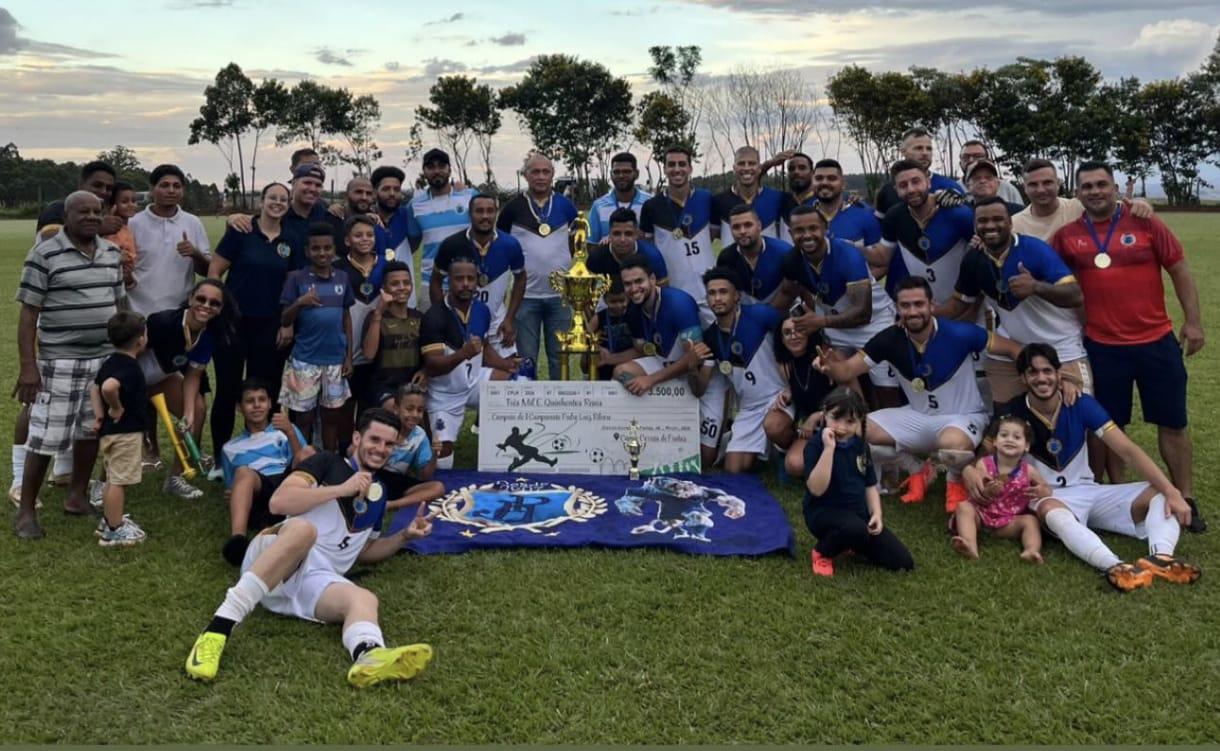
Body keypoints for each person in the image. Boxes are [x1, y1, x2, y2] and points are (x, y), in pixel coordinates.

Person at [184, 408, 441, 687]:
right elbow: (279, 502)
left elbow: (364, 552)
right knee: (305, 530)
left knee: (365, 599)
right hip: (275, 555)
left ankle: (369, 656)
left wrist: (404, 536)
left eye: (389, 444)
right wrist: (341, 489)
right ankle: (216, 630)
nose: (380, 449)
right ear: (357, 438)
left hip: (312, 579)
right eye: (374, 440)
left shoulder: (379, 492)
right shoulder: (327, 462)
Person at [964, 343, 1201, 592]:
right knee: (1053, 512)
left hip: (1089, 489)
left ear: (1058, 374)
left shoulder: (1081, 404)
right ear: (1023, 378)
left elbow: (1127, 450)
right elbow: (982, 455)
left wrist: (1173, 492)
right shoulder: (1012, 410)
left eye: (1047, 371)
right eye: (1033, 372)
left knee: (1162, 494)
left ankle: (1161, 558)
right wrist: (970, 469)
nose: (1041, 378)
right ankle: (1116, 567)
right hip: (1047, 496)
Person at [1051, 161, 1205, 532]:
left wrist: (1194, 322)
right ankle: (1119, 496)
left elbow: (1179, 269)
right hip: (1102, 347)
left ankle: (1184, 497)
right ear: (1078, 192)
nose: (1094, 191)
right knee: (1108, 427)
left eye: (1101, 184)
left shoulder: (1146, 222)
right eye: (1086, 186)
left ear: (1115, 187)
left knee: (1172, 423)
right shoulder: (1068, 235)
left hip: (1156, 342)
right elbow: (1046, 272)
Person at [818, 277, 1023, 511]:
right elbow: (847, 370)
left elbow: (1012, 348)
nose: (912, 311)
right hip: (917, 416)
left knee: (952, 445)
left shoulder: (959, 333)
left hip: (962, 416)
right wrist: (829, 366)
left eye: (919, 304)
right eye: (905, 306)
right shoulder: (888, 339)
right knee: (857, 429)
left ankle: (954, 483)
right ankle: (919, 469)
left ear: (931, 305)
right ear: (897, 308)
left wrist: (1028, 371)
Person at [13, 191, 126, 539]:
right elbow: (29, 314)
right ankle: (26, 511)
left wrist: (124, 350)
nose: (92, 217)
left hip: (103, 359)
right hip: (60, 361)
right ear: (66, 215)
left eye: (97, 211)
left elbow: (119, 304)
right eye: (83, 211)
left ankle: (77, 496)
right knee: (46, 436)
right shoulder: (45, 253)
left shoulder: (111, 253)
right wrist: (29, 366)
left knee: (90, 430)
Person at [938, 197, 1088, 406]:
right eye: (982, 221)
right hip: (1013, 346)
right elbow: (959, 304)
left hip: (1060, 346)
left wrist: (1035, 286)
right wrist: (925, 313)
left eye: (997, 219)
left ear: (1010, 223)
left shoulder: (1034, 250)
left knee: (1079, 416)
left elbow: (1074, 295)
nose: (990, 225)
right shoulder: (974, 259)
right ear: (974, 225)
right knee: (1006, 419)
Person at [208, 182, 301, 457]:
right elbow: (215, 268)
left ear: (288, 204)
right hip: (233, 324)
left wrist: (288, 322)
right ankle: (219, 457)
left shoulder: (291, 240)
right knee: (227, 390)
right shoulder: (242, 231)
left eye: (283, 199)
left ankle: (263, 452)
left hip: (270, 326)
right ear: (262, 201)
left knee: (265, 392)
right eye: (272, 197)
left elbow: (292, 283)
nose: (277, 203)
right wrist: (215, 304)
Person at [612, 255, 726, 467]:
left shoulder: (678, 303)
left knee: (705, 459)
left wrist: (651, 380)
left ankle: (726, 438)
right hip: (667, 365)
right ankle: (655, 427)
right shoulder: (634, 311)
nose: (634, 288)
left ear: (653, 279)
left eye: (639, 281)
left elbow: (694, 358)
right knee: (621, 372)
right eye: (628, 284)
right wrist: (610, 358)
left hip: (703, 375)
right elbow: (642, 350)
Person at [775, 206, 896, 404]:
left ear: (825, 227)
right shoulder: (792, 260)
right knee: (832, 376)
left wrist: (819, 321)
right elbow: (788, 293)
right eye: (799, 231)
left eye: (813, 228)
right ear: (790, 233)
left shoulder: (848, 255)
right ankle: (857, 425)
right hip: (834, 327)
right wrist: (765, 319)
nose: (806, 235)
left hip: (875, 323)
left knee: (886, 393)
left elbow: (863, 313)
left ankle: (887, 429)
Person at [420, 256, 519, 468]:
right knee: (443, 461)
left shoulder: (481, 310)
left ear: (477, 282)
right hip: (444, 394)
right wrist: (463, 353)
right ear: (448, 281)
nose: (465, 284)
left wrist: (504, 365)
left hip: (473, 382)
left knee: (516, 386)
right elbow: (433, 366)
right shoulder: (434, 316)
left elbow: (483, 347)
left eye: (470, 278)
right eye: (459, 279)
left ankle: (503, 454)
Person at [803, 387, 914, 577]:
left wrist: (877, 514)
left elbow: (870, 485)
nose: (841, 427)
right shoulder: (816, 446)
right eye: (835, 418)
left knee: (902, 562)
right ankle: (823, 551)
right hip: (823, 514)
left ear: (859, 422)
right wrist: (829, 450)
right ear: (824, 415)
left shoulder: (860, 446)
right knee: (855, 530)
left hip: (857, 516)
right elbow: (816, 489)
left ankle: (850, 542)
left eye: (850, 421)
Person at [689, 268, 787, 474]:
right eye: (712, 293)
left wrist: (792, 388)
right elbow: (699, 389)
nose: (717, 298)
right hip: (750, 408)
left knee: (776, 426)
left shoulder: (761, 316)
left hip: (780, 396)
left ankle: (786, 452)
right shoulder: (711, 337)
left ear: (736, 296)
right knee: (734, 470)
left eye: (723, 292)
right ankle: (759, 449)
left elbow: (794, 345)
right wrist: (691, 364)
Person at [498, 153, 577, 377]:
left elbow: (575, 245)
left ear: (553, 175)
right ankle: (530, 410)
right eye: (535, 172)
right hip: (525, 298)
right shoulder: (512, 209)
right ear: (525, 175)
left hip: (560, 297)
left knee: (559, 357)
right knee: (526, 358)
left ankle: (561, 407)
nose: (541, 177)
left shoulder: (566, 207)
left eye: (546, 172)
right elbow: (502, 249)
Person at [280, 224, 355, 451]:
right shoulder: (296, 279)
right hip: (305, 360)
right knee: (304, 418)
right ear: (307, 251)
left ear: (334, 250)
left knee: (332, 417)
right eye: (316, 249)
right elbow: (284, 319)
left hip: (335, 360)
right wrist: (300, 303)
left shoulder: (342, 278)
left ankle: (329, 459)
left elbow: (346, 318)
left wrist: (348, 357)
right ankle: (304, 460)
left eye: (327, 248)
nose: (322, 253)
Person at [220, 379, 310, 567]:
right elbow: (234, 487)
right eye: (250, 401)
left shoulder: (284, 431)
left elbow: (306, 463)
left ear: (270, 403)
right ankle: (238, 541)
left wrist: (291, 433)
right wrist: (233, 493)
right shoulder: (230, 448)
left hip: (289, 482)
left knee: (308, 452)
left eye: (262, 399)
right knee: (244, 472)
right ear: (239, 408)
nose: (257, 405)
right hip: (260, 490)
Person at [868, 159, 975, 306]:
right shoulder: (895, 216)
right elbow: (882, 257)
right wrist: (853, 248)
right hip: (924, 311)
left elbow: (984, 258)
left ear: (928, 182)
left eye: (916, 181)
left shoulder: (959, 214)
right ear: (896, 189)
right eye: (903, 185)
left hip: (966, 307)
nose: (911, 190)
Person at [433, 193, 526, 358]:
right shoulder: (451, 244)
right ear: (470, 214)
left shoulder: (510, 244)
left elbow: (521, 279)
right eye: (479, 211)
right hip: (461, 326)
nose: (485, 216)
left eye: (490, 211)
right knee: (463, 378)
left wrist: (510, 318)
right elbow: (436, 281)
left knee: (507, 375)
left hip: (497, 327)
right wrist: (443, 317)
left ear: (497, 213)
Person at [89, 311, 149, 547]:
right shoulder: (130, 367)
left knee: (112, 478)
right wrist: (116, 407)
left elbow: (94, 388)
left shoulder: (110, 361)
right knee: (118, 482)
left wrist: (99, 416)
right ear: (140, 340)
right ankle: (114, 530)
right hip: (125, 432)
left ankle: (108, 519)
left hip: (109, 432)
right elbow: (108, 387)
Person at [950, 415, 1045, 563]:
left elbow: (1046, 488)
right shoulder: (984, 463)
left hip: (1009, 521)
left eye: (1017, 437)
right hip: (981, 515)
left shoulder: (1029, 470)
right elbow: (980, 488)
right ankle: (969, 544)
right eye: (1004, 435)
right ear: (995, 441)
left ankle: (1031, 550)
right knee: (964, 507)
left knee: (1030, 521)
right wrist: (989, 490)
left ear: (1026, 445)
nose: (1009, 439)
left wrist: (1040, 491)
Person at [639, 145, 716, 325]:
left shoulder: (706, 198)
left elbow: (714, 233)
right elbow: (648, 249)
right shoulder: (652, 206)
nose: (677, 169)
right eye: (671, 165)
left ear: (690, 168)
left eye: (682, 164)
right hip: (673, 295)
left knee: (716, 348)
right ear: (665, 169)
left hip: (708, 294)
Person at [126, 164, 211, 315]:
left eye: (176, 186)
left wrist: (195, 253)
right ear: (152, 189)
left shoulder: (193, 222)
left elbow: (207, 271)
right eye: (164, 185)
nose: (171, 190)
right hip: (139, 312)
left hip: (180, 312)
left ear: (182, 191)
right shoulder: (133, 223)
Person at [764, 314, 836, 477]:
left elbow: (851, 398)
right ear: (781, 339)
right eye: (787, 333)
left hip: (837, 421)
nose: (793, 336)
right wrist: (788, 393)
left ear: (810, 332)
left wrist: (817, 416)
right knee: (794, 465)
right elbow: (795, 388)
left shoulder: (826, 356)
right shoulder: (786, 365)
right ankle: (792, 452)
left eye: (799, 330)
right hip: (811, 427)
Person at [1012, 159, 1154, 242]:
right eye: (1033, 184)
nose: (1041, 189)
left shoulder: (1078, 207)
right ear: (1024, 188)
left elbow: (1116, 207)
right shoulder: (1014, 225)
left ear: (1058, 183)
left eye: (1047, 182)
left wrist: (1141, 202)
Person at [409, 148, 477, 312]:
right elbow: (411, 243)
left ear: (449, 169)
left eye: (441, 166)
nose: (437, 171)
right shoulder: (415, 205)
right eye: (431, 167)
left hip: (466, 283)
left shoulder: (469, 196)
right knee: (433, 336)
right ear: (424, 172)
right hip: (431, 283)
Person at [335, 215, 386, 421]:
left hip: (378, 349)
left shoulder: (387, 265)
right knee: (346, 406)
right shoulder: (337, 269)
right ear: (347, 240)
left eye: (369, 235)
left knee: (371, 407)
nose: (365, 239)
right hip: (349, 351)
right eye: (358, 235)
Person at [363, 261, 425, 409]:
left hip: (411, 385)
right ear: (384, 289)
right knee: (395, 408)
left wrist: (425, 371)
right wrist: (378, 312)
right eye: (395, 284)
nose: (402, 288)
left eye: (406, 283)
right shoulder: (375, 317)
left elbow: (428, 354)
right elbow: (369, 354)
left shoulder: (419, 318)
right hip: (383, 386)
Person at [780, 159, 880, 250]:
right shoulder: (801, 216)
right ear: (813, 182)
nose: (824, 183)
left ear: (843, 184)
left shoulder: (866, 217)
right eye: (819, 178)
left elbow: (879, 264)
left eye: (831, 178)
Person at [872, 127, 963, 218]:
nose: (925, 153)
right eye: (918, 148)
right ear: (904, 152)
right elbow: (878, 227)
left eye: (929, 149)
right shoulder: (887, 191)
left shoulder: (950, 186)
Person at [713, 205, 793, 304]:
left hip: (786, 314)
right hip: (746, 316)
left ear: (759, 225)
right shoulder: (726, 258)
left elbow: (796, 290)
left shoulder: (784, 252)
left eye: (748, 225)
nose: (742, 231)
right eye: (736, 227)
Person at [711, 145, 785, 240]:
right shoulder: (718, 201)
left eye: (751, 163)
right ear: (734, 168)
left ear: (759, 168)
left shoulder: (777, 198)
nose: (746, 168)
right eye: (741, 164)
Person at [34, 160, 120, 239]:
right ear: (81, 184)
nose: (104, 192)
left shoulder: (105, 213)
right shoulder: (58, 209)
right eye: (97, 185)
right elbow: (47, 237)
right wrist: (97, 228)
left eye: (109, 188)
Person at [585, 208, 668, 289]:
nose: (622, 239)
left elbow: (663, 294)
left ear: (636, 234)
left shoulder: (652, 257)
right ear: (609, 234)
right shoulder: (596, 258)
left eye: (628, 234)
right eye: (617, 234)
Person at [588, 152, 652, 244]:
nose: (621, 176)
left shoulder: (650, 203)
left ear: (636, 174)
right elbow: (591, 244)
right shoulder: (598, 206)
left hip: (643, 258)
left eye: (626, 171)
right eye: (616, 172)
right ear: (611, 174)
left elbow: (657, 240)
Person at [382, 383, 437, 485]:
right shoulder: (383, 428)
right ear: (396, 408)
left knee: (437, 487)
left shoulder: (420, 435)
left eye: (420, 410)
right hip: (375, 478)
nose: (415, 415)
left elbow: (425, 476)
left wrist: (435, 454)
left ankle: (392, 502)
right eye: (409, 409)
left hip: (398, 482)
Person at [369, 165, 416, 266]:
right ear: (374, 192)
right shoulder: (366, 219)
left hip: (404, 279)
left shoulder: (409, 215)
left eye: (396, 189)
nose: (392, 194)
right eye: (386, 189)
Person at [591, 284, 637, 381]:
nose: (618, 305)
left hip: (628, 361)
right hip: (604, 363)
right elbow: (585, 338)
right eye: (613, 302)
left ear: (628, 298)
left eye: (622, 301)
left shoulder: (634, 315)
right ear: (605, 299)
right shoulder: (599, 318)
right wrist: (597, 348)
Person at [958, 140, 1024, 206]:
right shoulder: (953, 189)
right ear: (960, 163)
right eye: (966, 157)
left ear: (988, 159)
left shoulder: (1008, 189)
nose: (971, 160)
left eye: (978, 156)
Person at [105, 181, 140, 290]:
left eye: (134, 201)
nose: (131, 205)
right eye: (124, 202)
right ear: (113, 205)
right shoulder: (109, 229)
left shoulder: (127, 228)